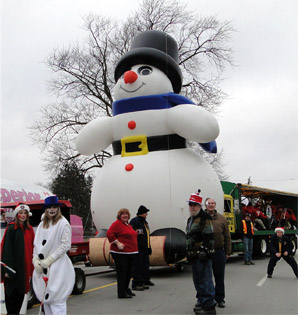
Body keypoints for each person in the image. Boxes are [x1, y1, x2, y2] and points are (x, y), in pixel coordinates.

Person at [32, 196, 75, 315]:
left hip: (58, 266)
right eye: (49, 207)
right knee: (47, 302)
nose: (52, 209)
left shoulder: (63, 223)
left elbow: (65, 245)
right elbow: (37, 244)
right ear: (45, 209)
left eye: (54, 207)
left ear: (58, 209)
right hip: (43, 267)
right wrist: (35, 259)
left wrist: (51, 259)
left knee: (57, 301)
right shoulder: (42, 225)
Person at [1, 204, 34, 315]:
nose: (23, 215)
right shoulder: (11, 229)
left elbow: (33, 249)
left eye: (25, 213)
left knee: (19, 302)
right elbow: (6, 250)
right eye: (21, 213)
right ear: (16, 215)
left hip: (23, 272)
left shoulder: (30, 230)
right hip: (12, 273)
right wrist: (7, 270)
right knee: (11, 304)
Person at [186, 190, 216, 314]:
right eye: (190, 204)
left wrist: (205, 250)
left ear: (200, 206)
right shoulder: (190, 219)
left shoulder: (205, 217)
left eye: (194, 205)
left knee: (205, 280)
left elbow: (209, 236)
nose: (192, 207)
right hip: (193, 255)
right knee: (197, 280)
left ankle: (209, 306)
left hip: (202, 255)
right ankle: (201, 300)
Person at [205, 198, 231, 309]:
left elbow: (227, 236)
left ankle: (220, 299)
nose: (211, 205)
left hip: (219, 251)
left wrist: (228, 251)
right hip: (205, 252)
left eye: (213, 203)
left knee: (219, 277)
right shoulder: (201, 217)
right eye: (209, 203)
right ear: (205, 205)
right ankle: (206, 299)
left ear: (215, 205)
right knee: (206, 277)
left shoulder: (222, 219)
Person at [107, 208, 138, 298]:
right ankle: (121, 292)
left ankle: (126, 289)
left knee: (128, 272)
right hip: (121, 253)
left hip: (130, 252)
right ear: (119, 216)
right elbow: (109, 233)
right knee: (122, 273)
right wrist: (118, 243)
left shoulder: (127, 225)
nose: (125, 216)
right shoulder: (117, 224)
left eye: (127, 214)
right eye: (123, 214)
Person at [130, 205, 154, 291]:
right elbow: (130, 233)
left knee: (145, 265)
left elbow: (146, 235)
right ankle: (136, 283)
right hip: (138, 247)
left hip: (145, 247)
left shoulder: (144, 222)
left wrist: (149, 246)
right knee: (137, 266)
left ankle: (144, 281)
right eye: (146, 212)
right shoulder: (135, 221)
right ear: (142, 213)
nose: (147, 214)